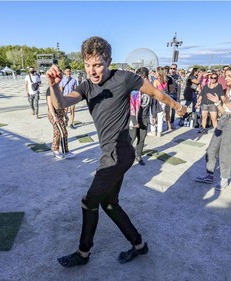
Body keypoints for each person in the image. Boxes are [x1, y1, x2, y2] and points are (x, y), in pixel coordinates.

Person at [46, 36, 186, 267]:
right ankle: (139, 245)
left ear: (109, 61)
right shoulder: (86, 86)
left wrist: (177, 106)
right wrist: (53, 85)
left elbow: (156, 94)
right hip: (109, 152)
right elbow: (61, 104)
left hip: (118, 153)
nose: (92, 70)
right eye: (88, 65)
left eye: (98, 64)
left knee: (88, 201)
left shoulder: (124, 78)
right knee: (109, 204)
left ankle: (83, 253)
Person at [195, 65, 231, 190]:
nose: (226, 78)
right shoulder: (229, 90)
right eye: (226, 76)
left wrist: (227, 102)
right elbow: (224, 111)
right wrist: (217, 102)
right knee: (211, 150)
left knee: (225, 153)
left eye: (230, 76)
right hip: (224, 120)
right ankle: (209, 175)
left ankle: (224, 180)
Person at [129, 67, 152, 165]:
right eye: (140, 78)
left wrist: (154, 116)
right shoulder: (133, 91)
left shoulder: (150, 89)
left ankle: (138, 155)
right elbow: (130, 107)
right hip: (134, 118)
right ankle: (126, 155)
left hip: (145, 117)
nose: (143, 80)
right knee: (131, 138)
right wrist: (134, 121)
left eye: (144, 77)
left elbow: (154, 103)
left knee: (142, 138)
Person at [46, 87, 75, 159]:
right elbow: (50, 104)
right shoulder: (50, 90)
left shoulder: (58, 89)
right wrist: (54, 116)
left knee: (57, 132)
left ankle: (55, 149)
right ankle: (66, 152)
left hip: (60, 114)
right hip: (54, 115)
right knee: (63, 132)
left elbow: (61, 104)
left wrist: (65, 115)